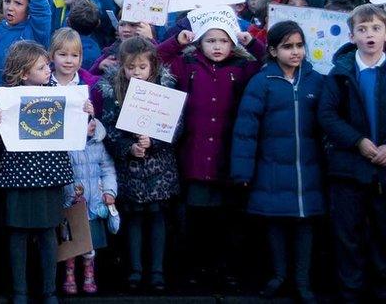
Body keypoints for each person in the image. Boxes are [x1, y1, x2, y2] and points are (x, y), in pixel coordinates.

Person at [158, 16, 265, 287]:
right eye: (211, 40)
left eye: (223, 41)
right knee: (195, 219)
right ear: (200, 43)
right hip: (193, 157)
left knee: (224, 219)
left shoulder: (242, 68)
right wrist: (175, 42)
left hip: (226, 158)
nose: (217, 46)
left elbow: (268, 62)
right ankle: (195, 270)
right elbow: (156, 60)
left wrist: (252, 43)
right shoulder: (188, 65)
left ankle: (224, 269)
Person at [231, 21, 324, 303]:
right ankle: (279, 275)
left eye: (299, 46)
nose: (295, 52)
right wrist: (242, 172)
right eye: (287, 47)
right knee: (276, 226)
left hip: (308, 171)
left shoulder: (315, 80)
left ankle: (302, 280)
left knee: (304, 226)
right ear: (272, 50)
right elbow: (246, 130)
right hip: (271, 169)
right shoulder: (262, 82)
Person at [0, 40, 79, 304]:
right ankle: (20, 292)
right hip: (18, 176)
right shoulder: (8, 97)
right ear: (24, 73)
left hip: (50, 175)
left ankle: (49, 291)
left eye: (47, 65)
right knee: (18, 234)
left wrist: (84, 111)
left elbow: (74, 126)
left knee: (47, 233)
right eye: (41, 67)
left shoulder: (61, 94)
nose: (48, 70)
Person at [92, 37, 179, 292]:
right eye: (131, 68)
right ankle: (135, 270)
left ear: (152, 65)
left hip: (158, 169)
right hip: (129, 169)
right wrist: (128, 147)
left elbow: (175, 126)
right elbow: (107, 126)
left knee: (157, 218)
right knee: (133, 219)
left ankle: (157, 271)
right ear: (122, 66)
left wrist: (153, 143)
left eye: (142, 67)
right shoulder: (112, 89)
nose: (136, 73)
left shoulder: (166, 86)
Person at [317, 4, 386, 303]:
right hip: (348, 168)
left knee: (383, 236)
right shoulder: (340, 72)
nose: (369, 35)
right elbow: (327, 115)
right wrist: (358, 141)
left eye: (376, 28)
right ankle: (351, 294)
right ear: (352, 35)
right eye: (362, 29)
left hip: (383, 169)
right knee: (348, 236)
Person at [48, 29, 114, 295]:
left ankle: (88, 273)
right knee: (64, 226)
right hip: (56, 164)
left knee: (86, 226)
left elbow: (102, 129)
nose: (68, 60)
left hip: (84, 162)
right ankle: (66, 273)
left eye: (75, 55)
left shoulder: (90, 84)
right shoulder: (44, 85)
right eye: (62, 54)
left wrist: (92, 119)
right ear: (52, 56)